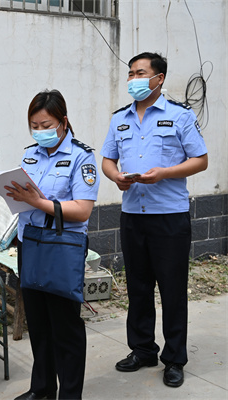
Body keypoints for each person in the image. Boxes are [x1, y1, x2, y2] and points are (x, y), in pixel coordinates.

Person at [100, 52, 208, 388]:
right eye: (131, 74)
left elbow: (200, 160)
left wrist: (164, 173)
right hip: (133, 216)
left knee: (172, 290)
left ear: (158, 78)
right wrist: (116, 177)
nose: (133, 79)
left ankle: (174, 359)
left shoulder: (179, 116)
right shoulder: (120, 119)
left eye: (140, 73)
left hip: (169, 218)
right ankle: (143, 349)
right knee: (138, 288)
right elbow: (107, 160)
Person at [6, 90, 99, 400]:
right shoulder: (30, 155)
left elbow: (82, 210)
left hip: (62, 247)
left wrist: (38, 202)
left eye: (46, 125)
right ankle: (42, 388)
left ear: (63, 122)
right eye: (34, 126)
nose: (39, 131)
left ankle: (70, 394)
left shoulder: (81, 157)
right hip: (30, 244)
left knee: (65, 326)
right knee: (38, 323)